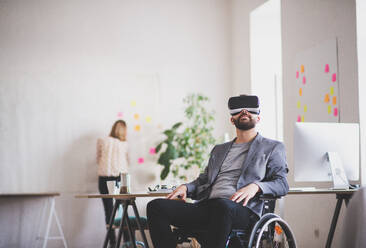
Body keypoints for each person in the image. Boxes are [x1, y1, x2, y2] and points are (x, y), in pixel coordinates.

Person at [147, 95, 289, 248]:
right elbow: (204, 180)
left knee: (223, 206)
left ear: (259, 118)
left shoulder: (272, 147)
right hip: (209, 206)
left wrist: (256, 186)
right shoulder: (219, 150)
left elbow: (281, 184)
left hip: (243, 211)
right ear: (232, 120)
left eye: (249, 110)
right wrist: (186, 187)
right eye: (238, 111)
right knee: (156, 207)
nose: (244, 112)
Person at [96, 120, 129, 245]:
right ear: (123, 130)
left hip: (103, 178)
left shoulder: (101, 140)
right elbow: (126, 161)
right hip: (120, 177)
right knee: (123, 211)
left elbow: (98, 159)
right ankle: (127, 241)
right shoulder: (124, 144)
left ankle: (113, 243)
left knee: (108, 211)